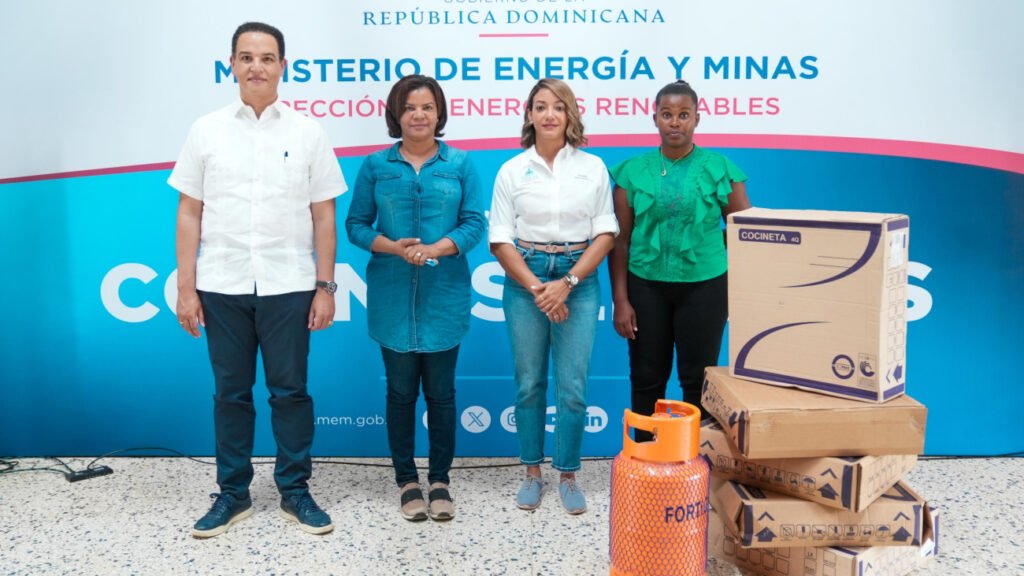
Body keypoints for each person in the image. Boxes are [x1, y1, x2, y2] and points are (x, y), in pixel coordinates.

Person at [170, 22, 345, 538]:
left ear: (282, 66)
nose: (256, 67)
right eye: (245, 57)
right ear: (231, 65)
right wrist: (186, 287)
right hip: (221, 284)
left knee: (290, 392)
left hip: (288, 283)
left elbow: (324, 217)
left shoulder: (307, 132)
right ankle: (232, 494)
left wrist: (325, 287)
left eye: (266, 58)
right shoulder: (206, 129)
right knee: (230, 394)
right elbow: (189, 212)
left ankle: (295, 490)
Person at [346, 75, 485, 522]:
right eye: (410, 108)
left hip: (444, 298)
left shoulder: (461, 164)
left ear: (439, 113)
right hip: (391, 298)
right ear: (396, 115)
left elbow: (473, 225)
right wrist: (394, 247)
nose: (419, 116)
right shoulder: (375, 165)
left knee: (442, 395)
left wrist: (436, 249)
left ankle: (440, 480)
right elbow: (356, 225)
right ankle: (406, 480)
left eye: (427, 107)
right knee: (401, 394)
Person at [489, 78, 618, 514]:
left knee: (573, 386)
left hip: (577, 280)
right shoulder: (511, 170)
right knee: (529, 383)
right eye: (540, 106)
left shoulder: (593, 167)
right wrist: (538, 289)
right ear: (529, 114)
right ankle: (530, 472)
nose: (548, 115)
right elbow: (500, 239)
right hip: (526, 280)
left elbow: (605, 234)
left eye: (557, 107)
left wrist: (567, 284)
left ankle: (567, 474)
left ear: (570, 115)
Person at [608, 80, 751, 440]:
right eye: (667, 114)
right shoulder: (632, 171)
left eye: (683, 115)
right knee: (646, 377)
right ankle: (643, 460)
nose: (675, 122)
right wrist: (621, 300)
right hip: (645, 286)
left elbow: (746, 229)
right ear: (654, 118)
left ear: (697, 119)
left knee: (697, 380)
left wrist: (710, 243)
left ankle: (696, 465)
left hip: (705, 286)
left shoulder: (719, 167)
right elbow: (620, 240)